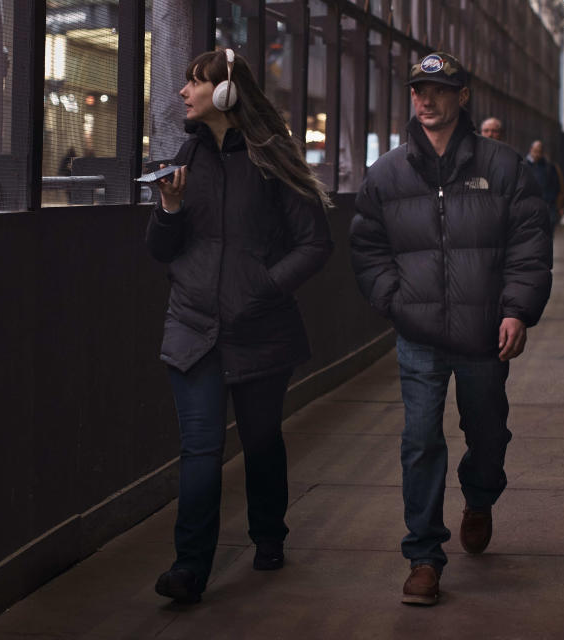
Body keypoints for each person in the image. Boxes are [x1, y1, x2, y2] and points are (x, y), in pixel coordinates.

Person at [350, 52, 552, 606]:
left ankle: (481, 495)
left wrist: (516, 310)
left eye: (438, 90)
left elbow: (529, 246)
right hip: (418, 333)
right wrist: (393, 301)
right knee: (420, 440)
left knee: (487, 433)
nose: (425, 99)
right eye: (418, 90)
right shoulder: (387, 174)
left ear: (462, 95)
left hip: (486, 331)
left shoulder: (505, 167)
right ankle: (423, 556)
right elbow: (367, 247)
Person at [145, 48, 333, 604]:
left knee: (260, 440)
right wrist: (169, 209)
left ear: (226, 92)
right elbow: (160, 250)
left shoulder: (271, 158)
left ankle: (269, 534)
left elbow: (315, 243)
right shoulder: (186, 155)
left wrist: (263, 288)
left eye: (195, 82)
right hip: (193, 326)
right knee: (200, 448)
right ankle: (189, 568)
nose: (184, 92)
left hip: (260, 328)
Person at [525, 140, 563, 230]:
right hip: (529, 207)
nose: (537, 154)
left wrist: (556, 205)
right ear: (530, 150)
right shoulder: (523, 165)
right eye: (535, 151)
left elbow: (556, 186)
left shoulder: (549, 167)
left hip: (547, 206)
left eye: (540, 152)